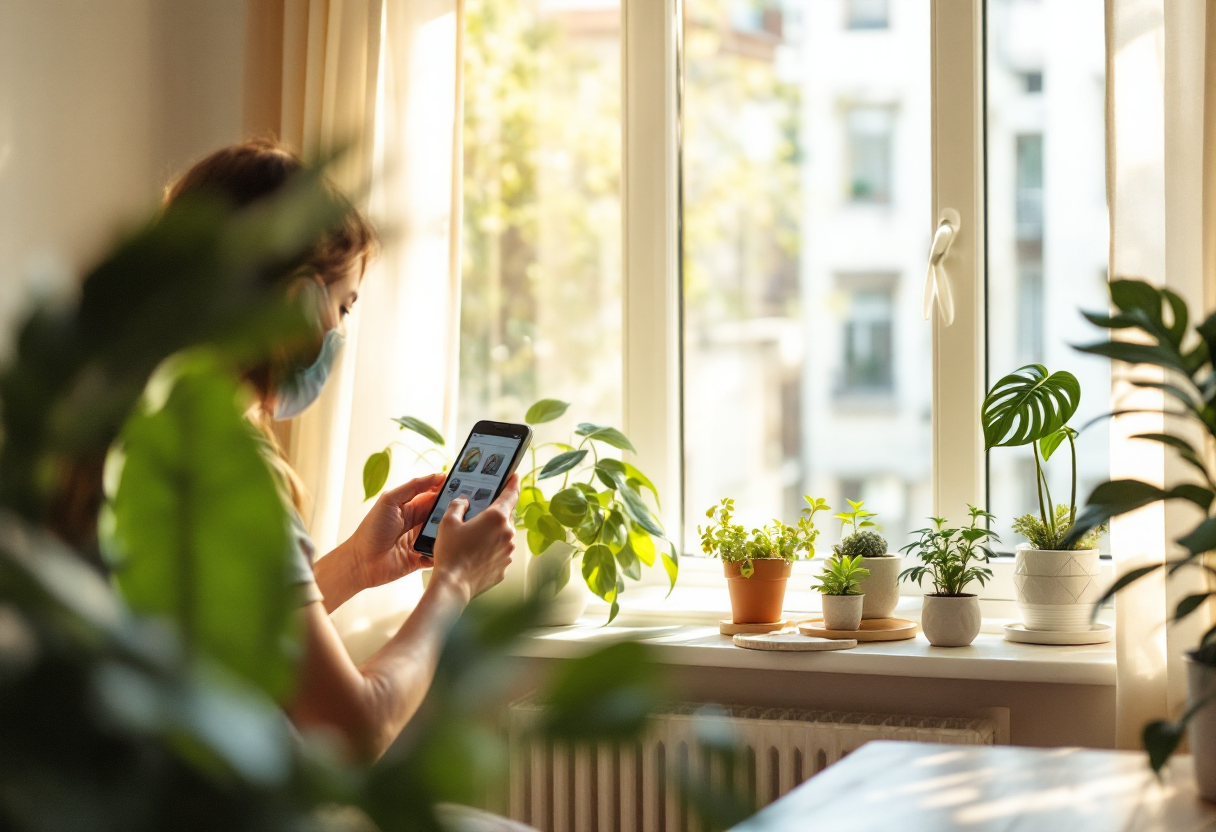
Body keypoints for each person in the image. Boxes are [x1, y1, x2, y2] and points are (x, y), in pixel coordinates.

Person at [164, 138, 520, 764]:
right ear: (296, 301)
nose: (339, 332)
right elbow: (356, 729)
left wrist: (356, 565)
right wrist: (455, 584)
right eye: (343, 305)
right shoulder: (229, 468)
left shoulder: (148, 423)